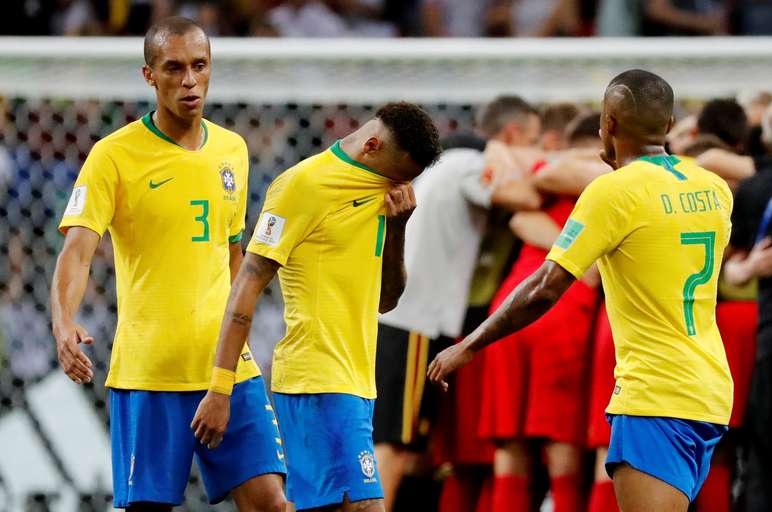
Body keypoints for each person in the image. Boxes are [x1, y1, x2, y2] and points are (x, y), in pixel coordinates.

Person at [429, 69, 734, 512]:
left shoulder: (611, 192)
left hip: (654, 392)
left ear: (607, 124)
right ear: (669, 126)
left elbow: (544, 289)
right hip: (709, 388)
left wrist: (471, 345)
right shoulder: (713, 188)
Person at [49, 17, 287, 511]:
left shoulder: (233, 151)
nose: (189, 80)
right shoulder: (113, 156)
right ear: (149, 76)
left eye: (200, 66)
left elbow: (233, 256)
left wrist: (236, 346)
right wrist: (63, 322)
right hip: (150, 373)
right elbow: (77, 250)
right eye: (174, 68)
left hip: (227, 369)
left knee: (271, 502)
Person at [191, 102, 441, 512]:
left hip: (358, 383)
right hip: (318, 380)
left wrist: (397, 229)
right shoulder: (302, 186)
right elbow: (245, 287)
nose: (398, 189)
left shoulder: (383, 194)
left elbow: (387, 299)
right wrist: (221, 387)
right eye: (396, 176)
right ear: (373, 146)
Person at [373, 95, 541, 511]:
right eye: (532, 140)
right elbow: (525, 198)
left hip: (413, 317)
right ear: (512, 134)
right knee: (393, 443)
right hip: (415, 320)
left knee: (414, 450)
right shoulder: (467, 163)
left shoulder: (445, 165)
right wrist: (512, 160)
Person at [478, 111, 601, 512]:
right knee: (560, 443)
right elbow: (597, 275)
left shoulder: (542, 175)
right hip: (561, 308)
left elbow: (521, 207)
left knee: (509, 447)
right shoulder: (615, 182)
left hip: (508, 309)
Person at [723, 102, 772, 512]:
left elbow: (731, 271)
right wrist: (752, 266)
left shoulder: (756, 186)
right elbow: (732, 270)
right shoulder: (759, 188)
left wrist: (748, 268)